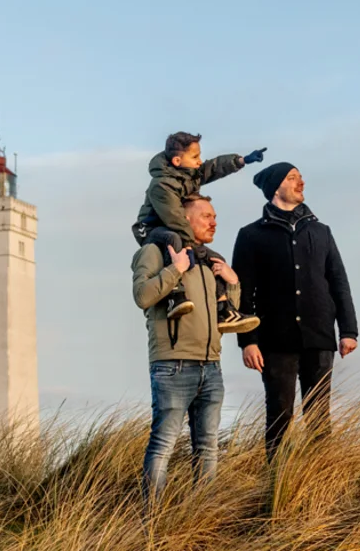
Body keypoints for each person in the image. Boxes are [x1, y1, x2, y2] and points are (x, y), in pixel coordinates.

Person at [232, 162, 359, 460]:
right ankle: (276, 480)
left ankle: (317, 481)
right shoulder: (251, 235)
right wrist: (248, 340)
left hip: (320, 336)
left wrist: (348, 331)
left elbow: (339, 282)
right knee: (279, 416)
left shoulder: (321, 231)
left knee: (318, 417)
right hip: (274, 341)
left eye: (301, 177)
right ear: (276, 187)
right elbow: (241, 293)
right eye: (292, 178)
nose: (301, 182)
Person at [133, 194, 242, 499]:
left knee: (208, 448)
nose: (214, 221)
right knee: (163, 445)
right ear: (184, 219)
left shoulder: (209, 259)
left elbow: (225, 320)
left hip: (212, 365)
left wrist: (232, 284)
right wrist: (176, 270)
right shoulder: (155, 252)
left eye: (215, 216)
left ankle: (200, 520)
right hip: (173, 365)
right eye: (207, 215)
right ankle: (151, 523)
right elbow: (142, 296)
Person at [131, 131, 265, 333]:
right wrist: (190, 245)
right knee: (174, 239)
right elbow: (175, 217)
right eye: (195, 157)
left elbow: (213, 168)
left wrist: (240, 160)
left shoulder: (189, 174)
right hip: (152, 229)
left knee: (213, 258)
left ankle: (223, 309)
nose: (199, 161)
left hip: (174, 226)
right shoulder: (162, 185)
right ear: (177, 160)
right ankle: (175, 295)